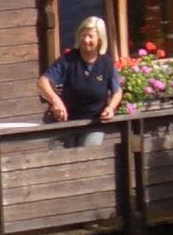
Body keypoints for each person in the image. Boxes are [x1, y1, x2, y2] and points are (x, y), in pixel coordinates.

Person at [37, 16, 123, 147]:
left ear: (100, 39)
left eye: (90, 36)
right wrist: (55, 101)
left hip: (94, 122)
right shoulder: (68, 60)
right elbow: (42, 82)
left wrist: (110, 108)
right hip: (68, 122)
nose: (86, 40)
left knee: (89, 153)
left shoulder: (106, 63)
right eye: (83, 35)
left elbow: (117, 91)